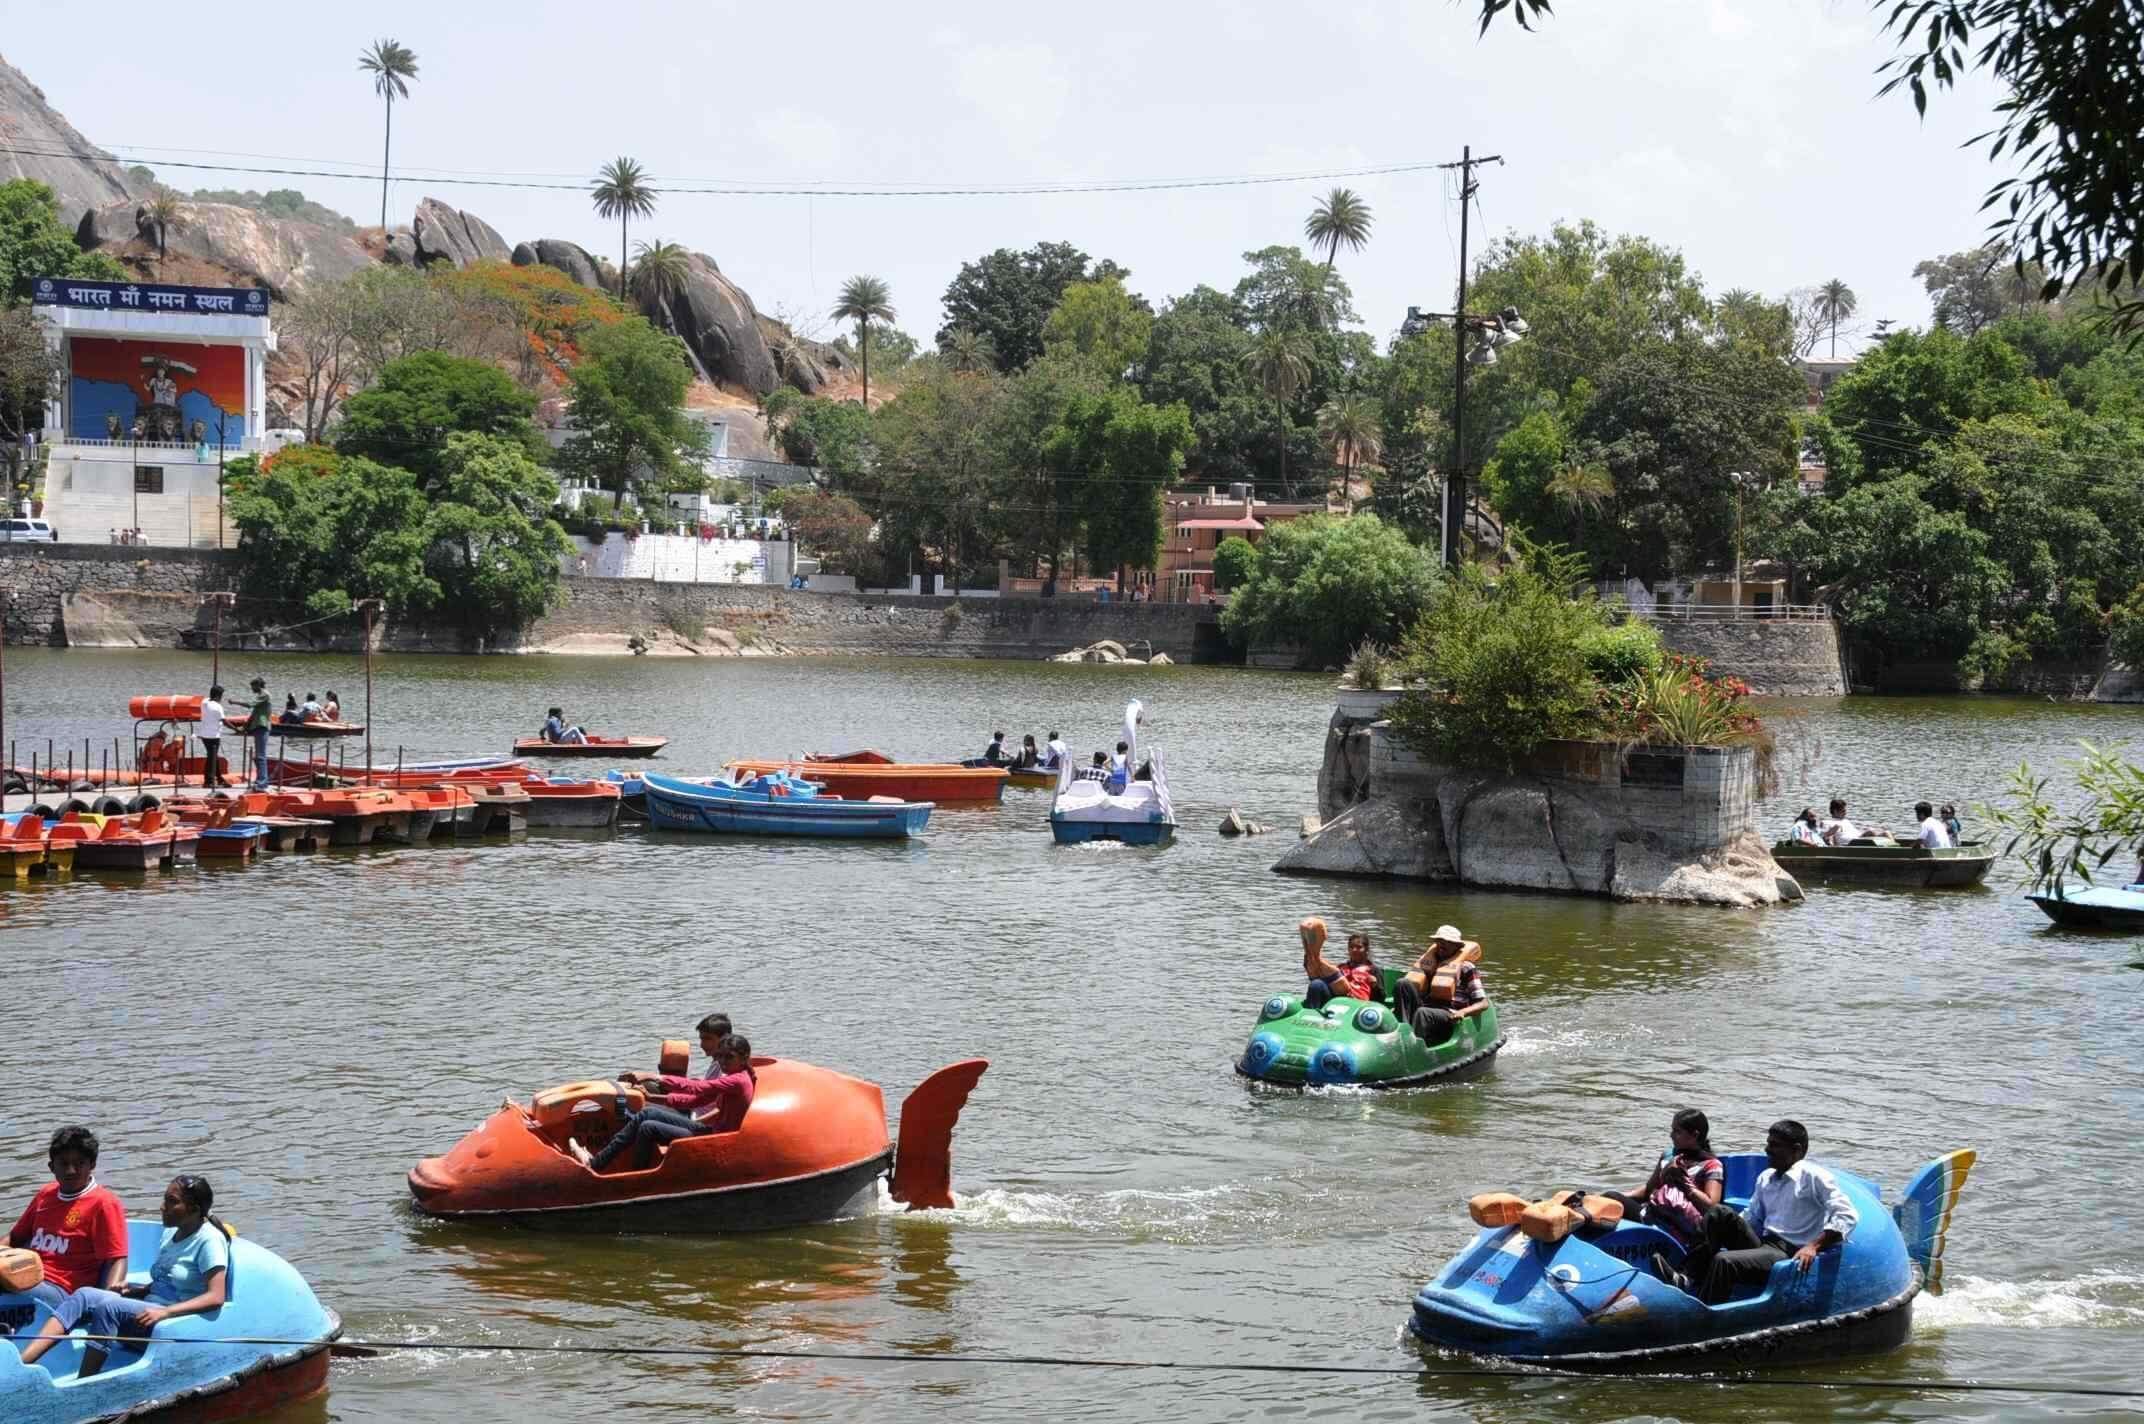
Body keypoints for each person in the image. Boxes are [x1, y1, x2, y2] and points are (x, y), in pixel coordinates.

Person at [16, 1174, 229, 1378]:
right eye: (165, 1199)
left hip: (175, 1320)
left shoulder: (209, 1241)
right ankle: (22, 1364)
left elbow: (215, 1297)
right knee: (84, 1295)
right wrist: (138, 1290)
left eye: (172, 1201)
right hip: (151, 1307)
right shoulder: (171, 1232)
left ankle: (85, 1382)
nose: (163, 1206)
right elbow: (167, 1279)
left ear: (193, 1209)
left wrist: (165, 1313)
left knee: (110, 1308)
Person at [1653, 1119, 1858, 1305]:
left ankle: (1705, 1313)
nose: (1767, 1150)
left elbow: (1846, 1215)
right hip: (1765, 1243)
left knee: (1724, 1261)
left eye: (1775, 1146)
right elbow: (1751, 1219)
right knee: (1719, 1213)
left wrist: (1813, 1246)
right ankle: (1687, 1277)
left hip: (1788, 1252)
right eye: (1768, 1143)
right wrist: (1714, 1233)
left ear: (1796, 1150)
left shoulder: (1813, 1176)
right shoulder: (1766, 1177)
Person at [573, 1033, 756, 1172]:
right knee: (647, 1113)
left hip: (719, 1139)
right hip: (711, 1131)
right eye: (720, 1056)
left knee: (648, 1127)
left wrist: (654, 1076)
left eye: (729, 1057)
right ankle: (599, 1161)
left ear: (744, 1056)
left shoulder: (738, 1080)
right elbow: (694, 1100)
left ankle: (634, 1176)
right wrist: (653, 1098)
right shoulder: (733, 1077)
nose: (723, 1061)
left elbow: (696, 1088)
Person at [9, 1126, 129, 1317]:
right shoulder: (45, 1195)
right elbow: (14, 1238)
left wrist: (106, 1304)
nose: (71, 1171)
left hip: (64, 1292)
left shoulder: (104, 1202)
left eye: (79, 1163)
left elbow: (116, 1258)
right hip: (28, 1275)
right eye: (63, 1164)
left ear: (92, 1164)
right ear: (51, 1167)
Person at [1604, 1109, 1725, 1252]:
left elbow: (1712, 1207)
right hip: (1651, 1216)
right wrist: (1621, 1196)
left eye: (1677, 1131)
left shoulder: (1711, 1165)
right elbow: (1649, 1190)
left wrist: (1683, 1182)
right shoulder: (1669, 1155)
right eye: (1672, 1130)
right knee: (1609, 1199)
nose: (1671, 1135)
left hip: (1683, 1230)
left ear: (1694, 1135)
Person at [1393, 925, 1489, 1044]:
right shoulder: (1428, 963)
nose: (1441, 945)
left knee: (1423, 1013)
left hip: (1448, 1014)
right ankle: (1404, 1033)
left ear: (1457, 946)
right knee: (1402, 983)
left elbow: (1483, 1003)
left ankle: (1413, 1046)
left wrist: (1463, 1012)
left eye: (1447, 942)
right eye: (1439, 941)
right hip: (1425, 1007)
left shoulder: (1467, 967)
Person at [1299, 918, 1379, 1010]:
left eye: (1359, 947)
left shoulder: (1373, 969)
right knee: (1316, 983)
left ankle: (1316, 956)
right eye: (1351, 947)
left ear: (1366, 950)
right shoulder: (1342, 967)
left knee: (1327, 969)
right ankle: (1311, 1014)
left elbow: (1381, 997)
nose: (1354, 950)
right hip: (1336, 999)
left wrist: (1375, 985)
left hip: (1356, 1001)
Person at [242, 677, 272, 789]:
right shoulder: (260, 696)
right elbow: (254, 713)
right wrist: (246, 726)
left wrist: (234, 702)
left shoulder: (265, 695)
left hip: (262, 726)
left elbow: (250, 704)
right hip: (257, 727)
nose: (252, 689)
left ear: (258, 685)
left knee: (261, 756)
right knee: (258, 756)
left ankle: (263, 782)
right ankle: (260, 779)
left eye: (253, 686)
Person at [199, 684, 227, 789]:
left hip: (204, 735)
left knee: (213, 756)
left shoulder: (204, 702)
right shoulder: (218, 707)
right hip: (213, 736)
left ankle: (219, 779)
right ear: (218, 696)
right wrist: (236, 729)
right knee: (212, 758)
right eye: (221, 696)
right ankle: (208, 780)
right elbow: (224, 721)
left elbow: (209, 698)